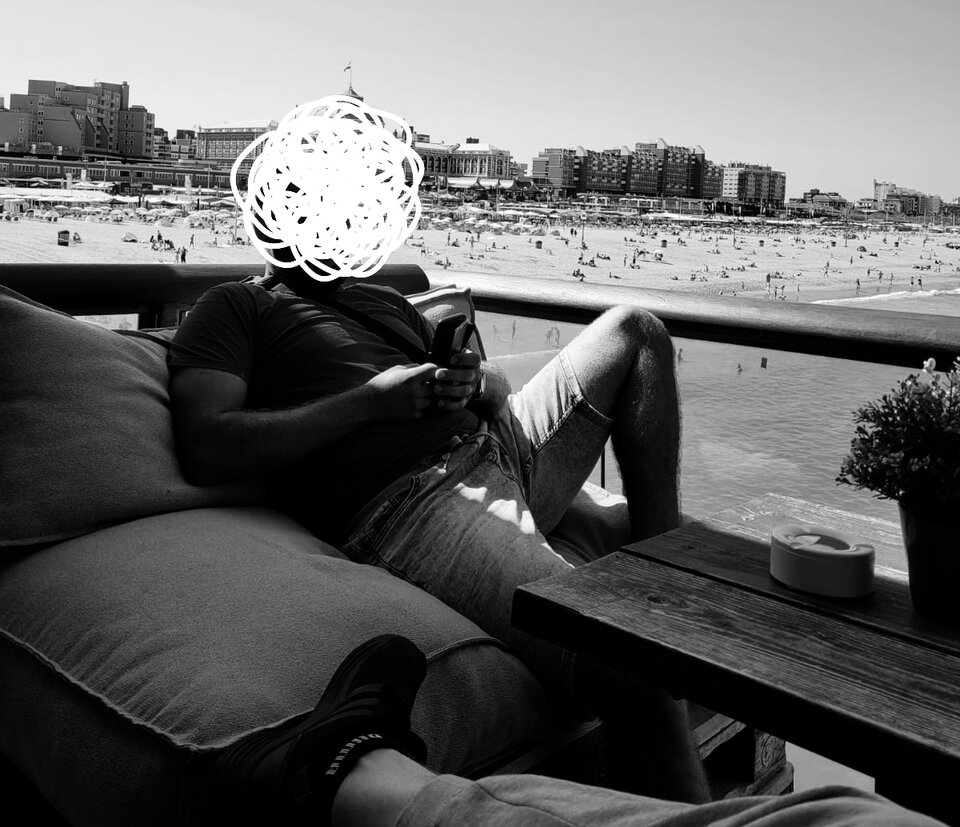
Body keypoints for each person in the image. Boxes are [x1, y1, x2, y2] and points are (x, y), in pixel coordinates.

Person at [205, 634, 948, 827]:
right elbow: (215, 437)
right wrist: (373, 402)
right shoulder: (245, 309)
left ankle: (350, 777)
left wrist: (479, 389)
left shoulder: (393, 310)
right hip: (403, 483)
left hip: (484, 447)